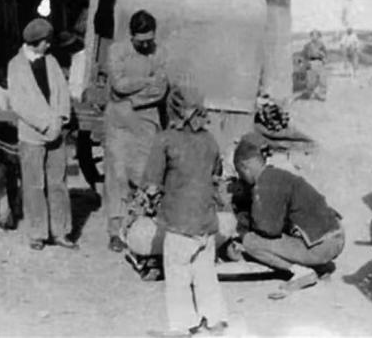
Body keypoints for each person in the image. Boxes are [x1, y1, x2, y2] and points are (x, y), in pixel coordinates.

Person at [143, 86, 228, 337]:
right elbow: (216, 174)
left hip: (179, 223)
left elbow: (151, 184)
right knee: (205, 274)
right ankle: (215, 321)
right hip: (206, 222)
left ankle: (182, 326)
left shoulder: (165, 140)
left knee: (178, 275)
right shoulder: (210, 140)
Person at [232, 134, 345, 300]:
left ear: (245, 166)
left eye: (240, 173)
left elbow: (269, 230)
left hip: (322, 246)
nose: (241, 178)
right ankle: (320, 266)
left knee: (250, 241)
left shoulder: (264, 183)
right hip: (335, 237)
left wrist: (243, 225)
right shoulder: (278, 175)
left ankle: (301, 272)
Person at [7, 17, 77, 251]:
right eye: (46, 41)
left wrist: (60, 119)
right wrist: (45, 124)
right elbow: (19, 103)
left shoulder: (52, 61)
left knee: (58, 183)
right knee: (34, 184)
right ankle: (37, 233)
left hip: (56, 132)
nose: (49, 45)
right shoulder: (15, 66)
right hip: (32, 134)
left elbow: (62, 92)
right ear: (36, 42)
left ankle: (61, 231)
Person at [104, 9, 168, 252]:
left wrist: (132, 99)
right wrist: (146, 82)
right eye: (141, 41)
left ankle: (138, 228)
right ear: (131, 35)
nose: (146, 45)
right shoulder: (117, 51)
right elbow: (118, 84)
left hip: (146, 121)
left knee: (143, 175)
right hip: (119, 122)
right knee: (117, 174)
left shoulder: (159, 52)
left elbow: (161, 89)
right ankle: (115, 231)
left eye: (150, 40)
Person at [302, 29, 327, 101]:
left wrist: (324, 58)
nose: (314, 37)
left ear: (319, 36)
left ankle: (322, 95)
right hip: (311, 62)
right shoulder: (307, 45)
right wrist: (305, 63)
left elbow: (325, 53)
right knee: (310, 80)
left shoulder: (321, 45)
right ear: (310, 37)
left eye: (316, 35)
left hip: (319, 62)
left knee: (322, 79)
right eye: (312, 35)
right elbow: (303, 55)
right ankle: (310, 93)